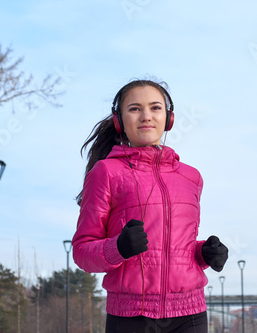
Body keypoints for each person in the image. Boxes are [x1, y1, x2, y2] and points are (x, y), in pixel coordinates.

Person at [72, 79, 229, 333]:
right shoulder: (106, 172)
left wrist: (204, 254)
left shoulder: (191, 177)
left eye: (155, 107)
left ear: (169, 118)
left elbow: (176, 249)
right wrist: (119, 248)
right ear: (119, 121)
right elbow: (82, 251)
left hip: (190, 314)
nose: (146, 116)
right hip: (131, 317)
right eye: (135, 109)